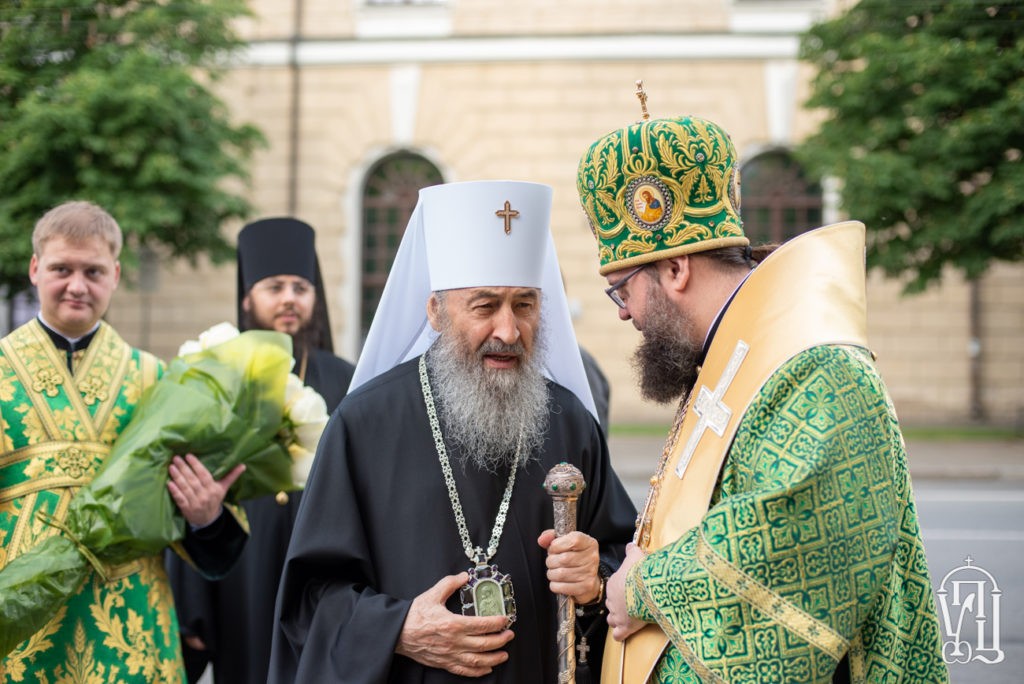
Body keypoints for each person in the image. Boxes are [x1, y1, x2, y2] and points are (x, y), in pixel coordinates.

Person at [575, 104, 949, 683]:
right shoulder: (729, 359)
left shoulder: (818, 366)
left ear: (675, 270)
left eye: (622, 290)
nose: (624, 314)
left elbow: (793, 545)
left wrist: (643, 588)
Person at [268, 180, 637, 683]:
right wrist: (398, 628)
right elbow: (311, 599)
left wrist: (595, 579)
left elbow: (623, 558)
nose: (508, 331)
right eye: (485, 307)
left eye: (525, 305)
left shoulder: (569, 421)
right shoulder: (364, 424)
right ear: (436, 312)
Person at [0, 201, 247, 681]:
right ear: (35, 269)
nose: (77, 285)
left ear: (114, 275)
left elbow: (209, 545)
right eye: (62, 269)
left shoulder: (156, 380)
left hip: (130, 623)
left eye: (93, 271)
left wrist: (205, 517)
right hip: (20, 626)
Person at [166, 217, 356, 684]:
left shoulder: (347, 380)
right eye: (275, 287)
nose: (290, 298)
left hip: (322, 580)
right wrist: (192, 606)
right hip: (241, 577)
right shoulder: (218, 377)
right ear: (247, 298)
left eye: (301, 288)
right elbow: (187, 486)